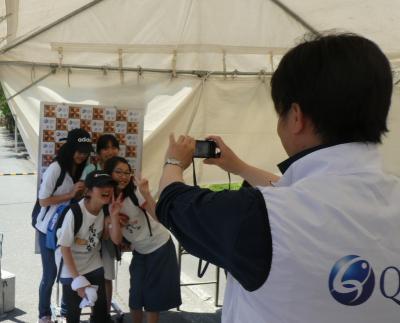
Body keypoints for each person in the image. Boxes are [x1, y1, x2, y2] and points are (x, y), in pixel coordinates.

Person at [155, 34, 400, 323]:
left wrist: (174, 161)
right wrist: (239, 167)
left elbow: (172, 201)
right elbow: (298, 193)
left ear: (296, 117)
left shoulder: (258, 217)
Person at [104, 156, 181, 323]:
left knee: (153, 297)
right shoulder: (106, 199)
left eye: (127, 173)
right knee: (136, 295)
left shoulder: (135, 193)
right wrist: (114, 216)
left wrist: (146, 193)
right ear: (109, 173)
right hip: (139, 250)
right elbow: (116, 240)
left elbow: (158, 217)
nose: (124, 177)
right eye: (119, 172)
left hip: (159, 246)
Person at [35, 128, 92, 323]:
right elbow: (43, 201)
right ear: (69, 148)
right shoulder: (56, 168)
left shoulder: (81, 169)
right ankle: (44, 314)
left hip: (68, 228)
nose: (81, 155)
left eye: (85, 151)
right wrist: (70, 194)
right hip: (47, 230)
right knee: (50, 274)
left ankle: (68, 312)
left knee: (67, 274)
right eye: (78, 150)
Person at [56, 170, 123, 323]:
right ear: (89, 191)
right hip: (71, 266)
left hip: (93, 263)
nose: (107, 189)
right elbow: (64, 248)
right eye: (101, 186)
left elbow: (115, 239)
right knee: (73, 315)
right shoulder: (74, 213)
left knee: (101, 312)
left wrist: (114, 216)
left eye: (109, 185)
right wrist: (77, 280)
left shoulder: (106, 209)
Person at [81, 133, 120, 319]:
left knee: (107, 273)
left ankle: (103, 315)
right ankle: (88, 310)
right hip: (90, 227)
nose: (110, 151)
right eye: (105, 147)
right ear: (98, 151)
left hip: (110, 229)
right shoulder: (90, 168)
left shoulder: (120, 169)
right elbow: (83, 195)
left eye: (114, 147)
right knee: (86, 270)